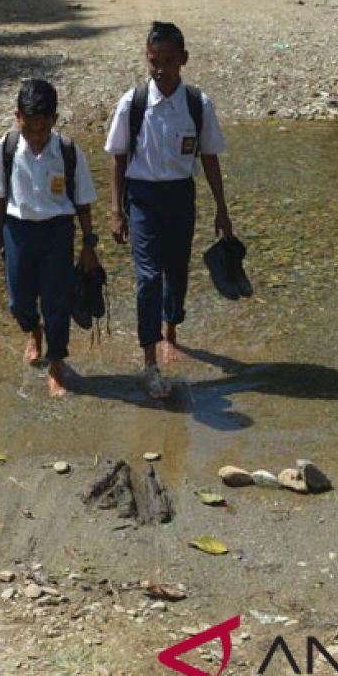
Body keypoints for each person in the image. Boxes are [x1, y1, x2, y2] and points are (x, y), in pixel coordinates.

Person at [105, 21, 234, 399]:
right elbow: (117, 158)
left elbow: (209, 158)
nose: (160, 69)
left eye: (168, 61)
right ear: (147, 60)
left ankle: (170, 332)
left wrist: (222, 210)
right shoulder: (133, 103)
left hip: (181, 195)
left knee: (176, 271)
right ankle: (149, 362)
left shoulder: (197, 104)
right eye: (153, 60)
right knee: (147, 276)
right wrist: (117, 209)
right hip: (143, 197)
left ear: (183, 60)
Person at [0, 79, 100, 397]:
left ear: (54, 120)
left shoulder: (67, 151)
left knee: (57, 302)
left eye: (42, 130)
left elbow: (83, 201)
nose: (35, 137)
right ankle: (33, 330)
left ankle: (57, 364)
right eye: (29, 128)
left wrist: (89, 245)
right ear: (17, 117)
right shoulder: (6, 149)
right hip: (17, 231)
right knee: (19, 299)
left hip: (57, 232)